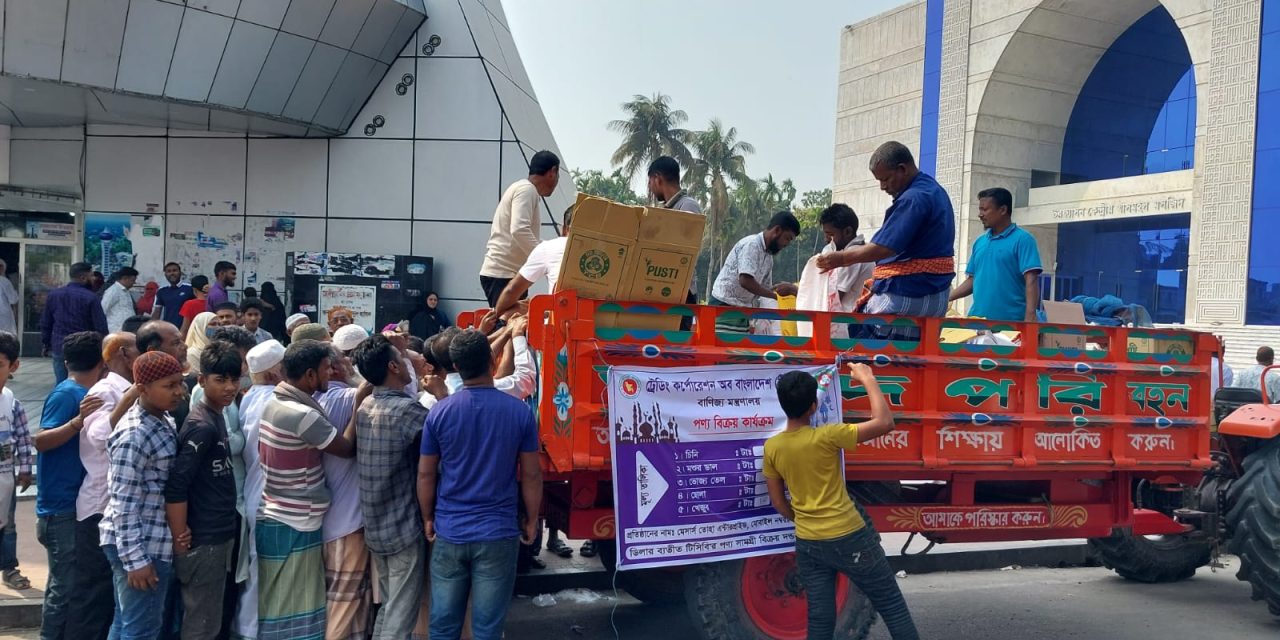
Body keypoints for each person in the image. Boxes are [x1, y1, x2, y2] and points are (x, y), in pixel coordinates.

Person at [764, 366, 919, 639]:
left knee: (820, 617)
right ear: (813, 406)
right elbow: (884, 422)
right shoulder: (828, 436)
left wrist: (803, 520)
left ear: (782, 404)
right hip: (850, 536)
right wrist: (868, 379)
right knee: (892, 605)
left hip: (809, 542)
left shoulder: (773, 448)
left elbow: (778, 502)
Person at [419, 329, 542, 639]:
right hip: (498, 532)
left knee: (443, 625)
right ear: (491, 360)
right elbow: (530, 475)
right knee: (488, 627)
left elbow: (426, 474)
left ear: (456, 368)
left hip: (450, 529)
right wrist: (531, 519)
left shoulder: (440, 412)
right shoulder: (520, 412)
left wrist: (428, 517)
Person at [256, 340, 357, 639]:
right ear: (311, 375)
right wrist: (361, 398)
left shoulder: (275, 403)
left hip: (280, 513)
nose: (332, 374)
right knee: (292, 607)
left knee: (280, 604)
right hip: (295, 520)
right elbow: (347, 448)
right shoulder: (303, 415)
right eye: (327, 369)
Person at [99, 351, 187, 639]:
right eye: (169, 386)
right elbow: (123, 503)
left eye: (180, 383)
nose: (178, 392)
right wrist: (135, 560)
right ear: (143, 388)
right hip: (141, 544)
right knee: (142, 630)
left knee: (126, 623)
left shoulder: (163, 420)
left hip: (153, 540)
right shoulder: (134, 434)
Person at [815, 141, 955, 321]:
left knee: (858, 335)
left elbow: (884, 248)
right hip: (937, 295)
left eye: (885, 179)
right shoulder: (934, 190)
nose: (882, 187)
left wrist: (842, 259)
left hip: (910, 292)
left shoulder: (913, 198)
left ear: (902, 169)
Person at [352, 335, 430, 639]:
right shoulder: (408, 411)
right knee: (400, 614)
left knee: (389, 606)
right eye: (403, 356)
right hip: (402, 527)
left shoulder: (366, 405)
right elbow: (446, 440)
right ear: (393, 366)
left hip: (376, 526)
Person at [165, 341, 241, 640]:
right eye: (220, 380)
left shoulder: (217, 415)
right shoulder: (202, 426)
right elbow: (177, 484)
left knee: (209, 618)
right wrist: (180, 536)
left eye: (234, 379)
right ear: (201, 380)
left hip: (218, 533)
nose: (229, 387)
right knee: (202, 623)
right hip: (204, 539)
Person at [34, 330, 105, 640]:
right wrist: (77, 422)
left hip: (70, 503)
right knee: (64, 585)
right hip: (59, 507)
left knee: (67, 582)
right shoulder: (68, 395)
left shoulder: (83, 393)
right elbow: (41, 440)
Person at [72, 332, 139, 639]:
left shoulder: (126, 388)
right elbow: (99, 435)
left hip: (116, 506)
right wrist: (128, 399)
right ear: (124, 353)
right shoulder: (107, 389)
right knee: (94, 594)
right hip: (99, 507)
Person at [315, 342, 371, 640]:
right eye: (345, 360)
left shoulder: (310, 401)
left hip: (333, 518)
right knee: (344, 600)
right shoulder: (349, 397)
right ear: (333, 367)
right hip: (347, 523)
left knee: (354, 599)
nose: (351, 363)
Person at [232, 339, 285, 640]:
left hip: (255, 489)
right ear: (274, 372)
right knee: (260, 565)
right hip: (268, 492)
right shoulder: (273, 401)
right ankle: (250, 629)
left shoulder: (250, 396)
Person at [478, 150, 561, 307]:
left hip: (506, 274)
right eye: (558, 176)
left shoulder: (525, 190)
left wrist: (549, 249)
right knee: (506, 328)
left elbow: (521, 232)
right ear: (553, 172)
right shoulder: (526, 190)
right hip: (502, 275)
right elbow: (519, 230)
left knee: (510, 326)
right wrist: (544, 256)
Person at [948, 187, 1043, 322]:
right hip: (976, 323)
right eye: (980, 209)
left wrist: (1030, 317)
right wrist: (947, 297)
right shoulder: (980, 242)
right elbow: (973, 280)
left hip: (1011, 324)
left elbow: (1031, 280)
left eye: (985, 209)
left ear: (1003, 210)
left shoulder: (1023, 240)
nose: (980, 214)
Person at [710, 212, 802, 332]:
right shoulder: (752, 245)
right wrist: (776, 296)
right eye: (787, 238)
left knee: (737, 348)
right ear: (777, 230)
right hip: (724, 306)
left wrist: (784, 291)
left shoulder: (768, 258)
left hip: (742, 311)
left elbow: (764, 289)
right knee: (725, 347)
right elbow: (745, 281)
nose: (786, 244)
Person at [484, 206, 573, 325]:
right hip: (603, 333)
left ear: (565, 229)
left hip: (559, 333)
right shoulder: (606, 252)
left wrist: (497, 318)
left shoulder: (549, 247)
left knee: (512, 316)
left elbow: (512, 290)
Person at [0, 332, 32, 596]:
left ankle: (9, 568)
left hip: (5, 479)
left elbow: (22, 436)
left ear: (13, 366)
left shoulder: (11, 401)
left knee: (8, 526)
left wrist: (24, 470)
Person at [42, 262, 109, 383]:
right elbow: (101, 327)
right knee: (84, 384)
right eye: (92, 275)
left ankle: (62, 401)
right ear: (83, 278)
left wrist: (46, 344)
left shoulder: (54, 295)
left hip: (59, 346)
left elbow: (46, 322)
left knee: (61, 383)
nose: (94, 279)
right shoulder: (91, 297)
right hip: (84, 348)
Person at [815, 204, 876, 320]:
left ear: (847, 232)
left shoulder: (853, 255)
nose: (827, 239)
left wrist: (797, 292)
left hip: (849, 323)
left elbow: (834, 299)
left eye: (831, 235)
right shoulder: (853, 252)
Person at [102, 268, 141, 333]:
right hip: (116, 330)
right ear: (125, 278)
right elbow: (103, 309)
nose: (134, 283)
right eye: (133, 280)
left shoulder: (126, 291)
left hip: (127, 329)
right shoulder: (113, 291)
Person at [156, 263, 194, 328]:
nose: (172, 273)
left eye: (174, 270)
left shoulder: (190, 288)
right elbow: (157, 311)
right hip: (168, 329)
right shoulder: (162, 291)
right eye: (169, 271)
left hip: (186, 329)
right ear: (165, 275)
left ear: (180, 273)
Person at [0, 260, 17, 335]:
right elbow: (13, 300)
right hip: (3, 315)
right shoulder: (4, 281)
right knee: (5, 339)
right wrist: (16, 292)